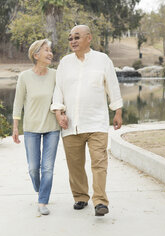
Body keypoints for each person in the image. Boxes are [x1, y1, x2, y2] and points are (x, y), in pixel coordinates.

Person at [51, 25, 123, 217]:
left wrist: (118, 111)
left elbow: (112, 86)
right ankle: (80, 197)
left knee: (99, 163)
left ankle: (100, 201)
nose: (73, 41)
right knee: (75, 165)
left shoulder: (102, 60)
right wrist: (59, 112)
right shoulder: (65, 63)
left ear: (88, 38)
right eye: (70, 38)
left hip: (97, 122)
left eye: (77, 37)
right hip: (71, 125)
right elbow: (58, 90)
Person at [12, 39, 60, 215]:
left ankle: (42, 201)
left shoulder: (55, 75)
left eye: (50, 50)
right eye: (46, 50)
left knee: (47, 167)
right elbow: (18, 104)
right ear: (36, 55)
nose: (50, 53)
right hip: (31, 128)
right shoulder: (25, 77)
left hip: (52, 128)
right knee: (33, 168)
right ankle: (40, 189)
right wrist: (15, 127)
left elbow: (61, 98)